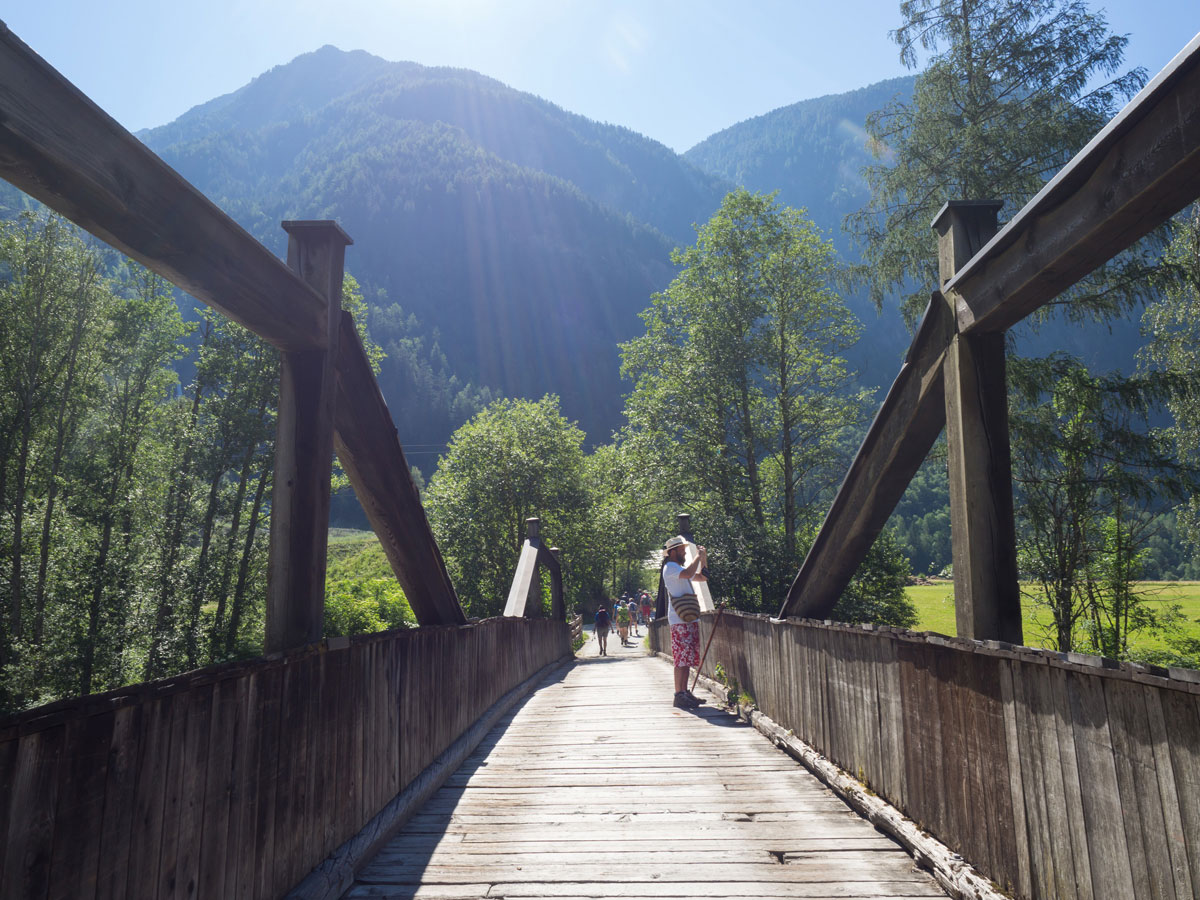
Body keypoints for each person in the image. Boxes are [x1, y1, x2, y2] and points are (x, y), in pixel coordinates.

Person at [661, 534, 708, 709]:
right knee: (681, 659)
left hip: (687, 618)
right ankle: (678, 694)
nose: (684, 553)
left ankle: (684, 692)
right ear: (672, 552)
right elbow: (689, 573)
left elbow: (702, 577)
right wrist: (697, 556)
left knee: (687, 658)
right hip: (679, 620)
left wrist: (703, 560)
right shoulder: (671, 567)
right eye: (682, 550)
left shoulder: (677, 569)